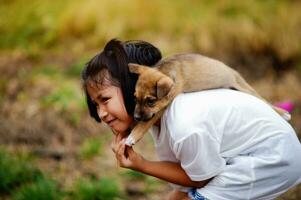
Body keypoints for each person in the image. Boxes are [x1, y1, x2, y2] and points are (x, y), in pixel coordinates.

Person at [81, 39, 301, 200]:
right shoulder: (161, 114)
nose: (101, 114)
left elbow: (200, 179)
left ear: (135, 86)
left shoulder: (184, 123)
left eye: (105, 100)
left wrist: (142, 165)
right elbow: (186, 177)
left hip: (272, 158)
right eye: (96, 105)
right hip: (252, 151)